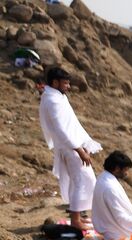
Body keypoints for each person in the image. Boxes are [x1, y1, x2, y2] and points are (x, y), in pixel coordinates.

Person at [39, 67, 102, 230]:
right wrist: (79, 150)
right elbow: (61, 129)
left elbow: (71, 124)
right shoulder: (52, 101)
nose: (68, 86)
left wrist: (83, 145)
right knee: (82, 181)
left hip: (73, 146)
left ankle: (78, 217)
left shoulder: (58, 96)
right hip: (70, 148)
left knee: (83, 181)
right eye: (65, 83)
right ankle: (75, 221)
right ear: (55, 82)